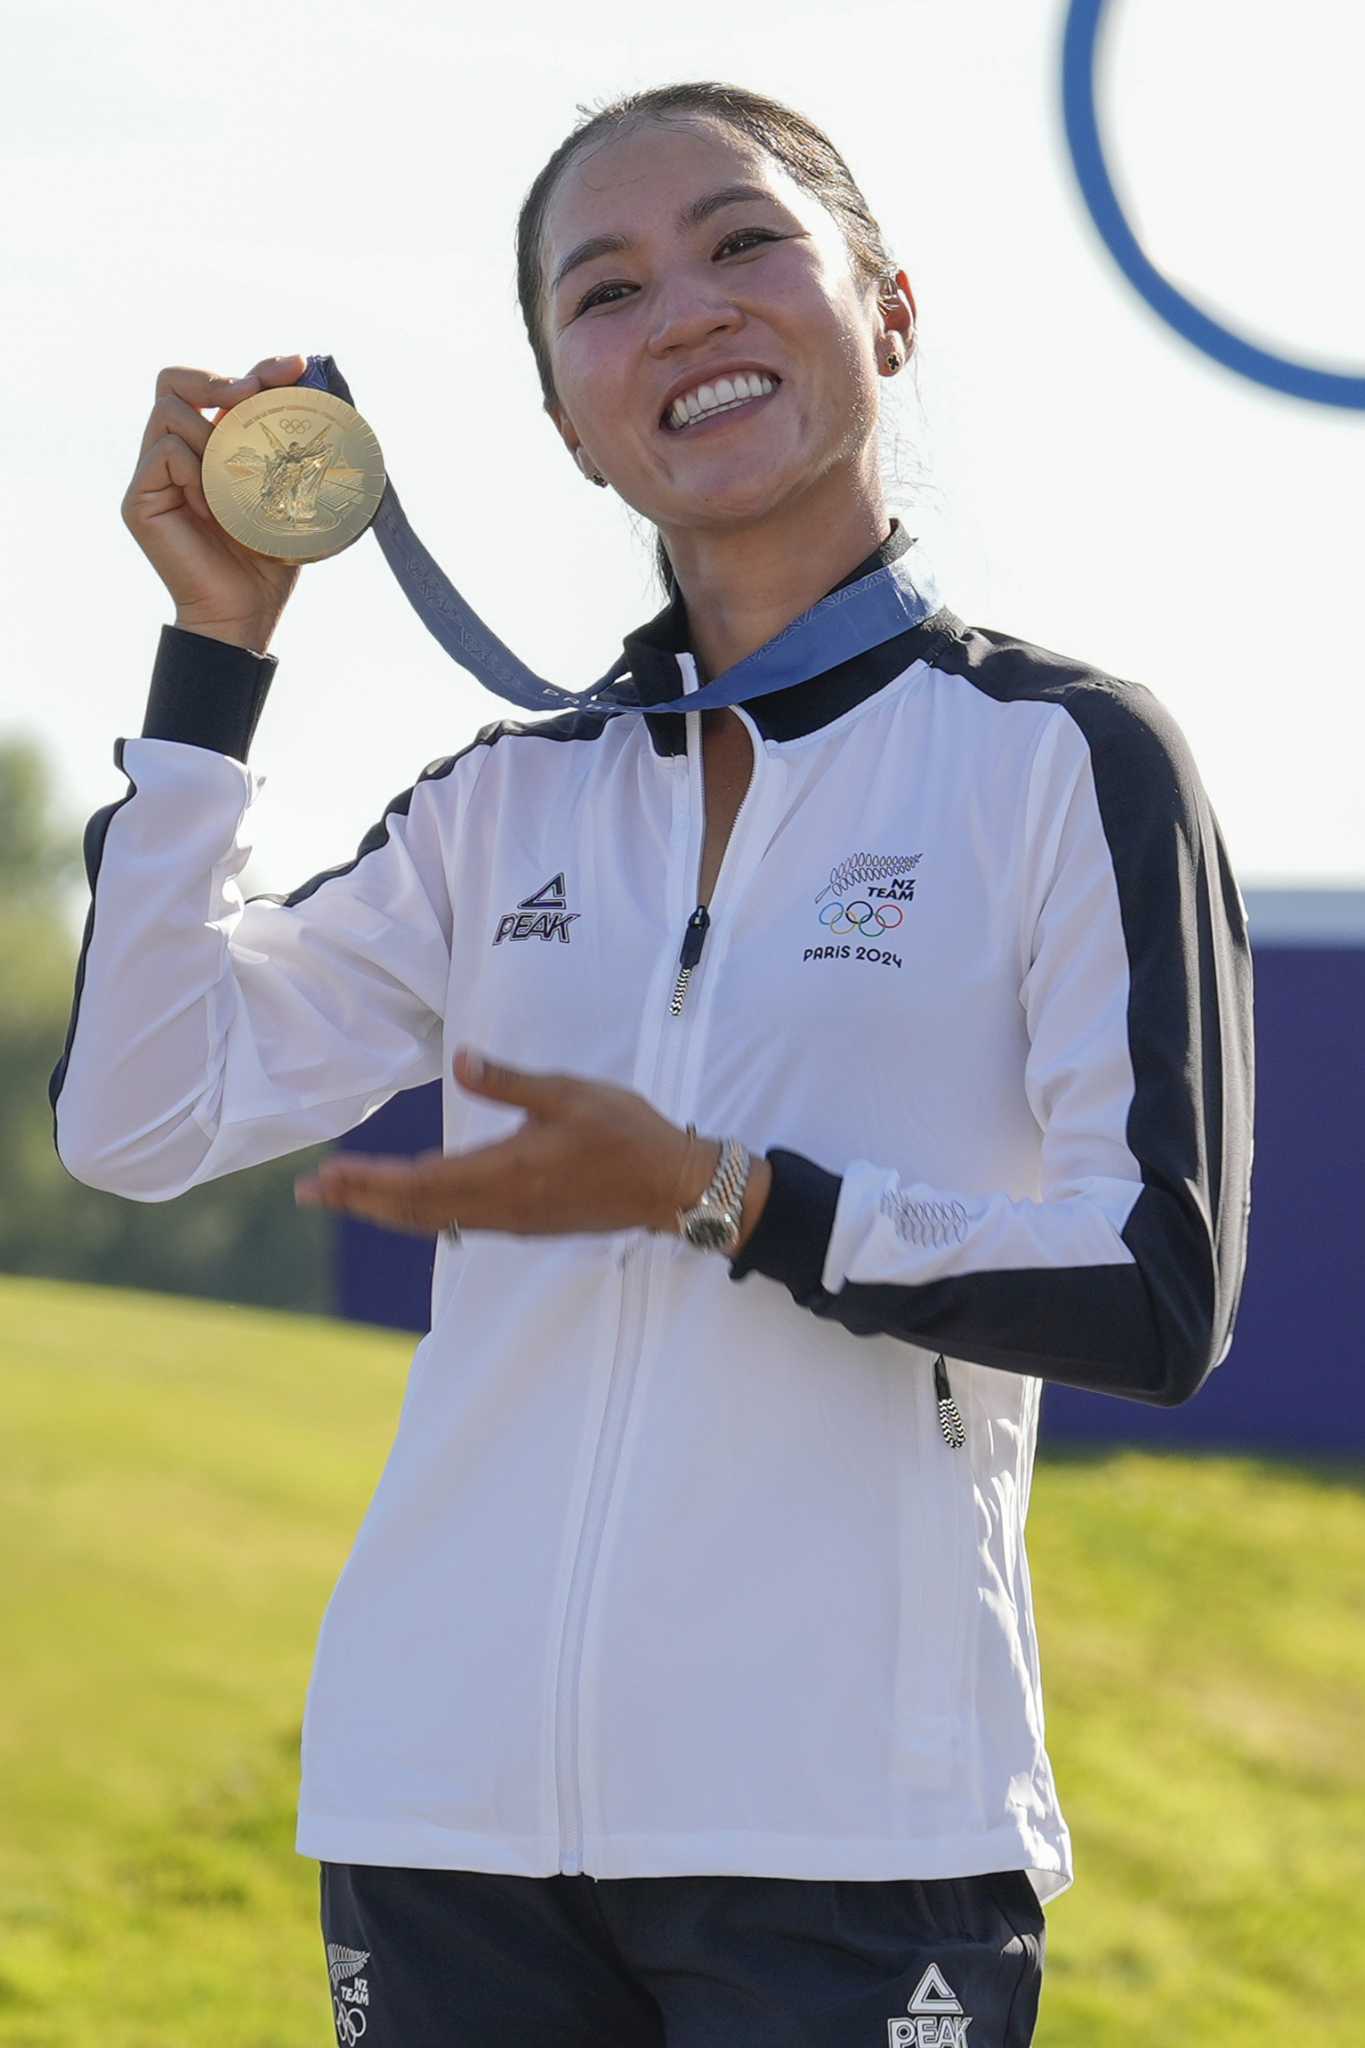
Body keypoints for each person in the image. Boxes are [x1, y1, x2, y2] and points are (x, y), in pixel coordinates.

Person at [52, 80, 1253, 2048]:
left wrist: (723, 1191)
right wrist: (216, 660)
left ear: (884, 307)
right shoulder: (497, 805)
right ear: (562, 420)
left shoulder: (1061, 758)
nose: (683, 308)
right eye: (602, 291)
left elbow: (1152, 1288)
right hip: (436, 1819)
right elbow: (139, 1114)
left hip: (849, 1839)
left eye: (742, 242)